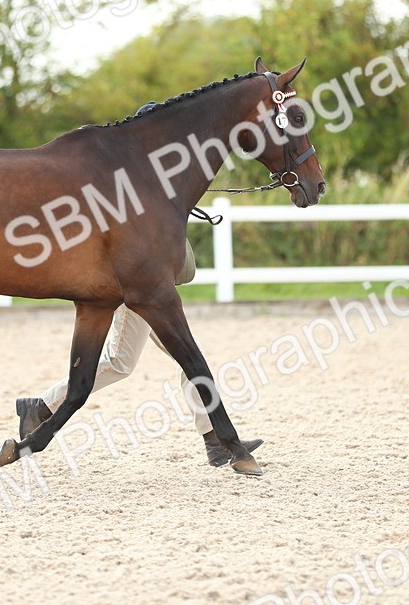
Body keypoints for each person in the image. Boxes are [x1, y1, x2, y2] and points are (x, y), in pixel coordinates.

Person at [14, 102, 263, 468]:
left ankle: (214, 439)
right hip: (135, 289)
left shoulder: (150, 179)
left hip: (148, 287)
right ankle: (41, 406)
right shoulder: (132, 179)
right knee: (122, 362)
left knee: (187, 358)